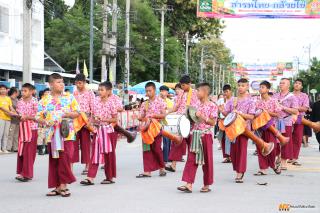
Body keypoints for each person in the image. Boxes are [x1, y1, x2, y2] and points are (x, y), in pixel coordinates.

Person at [36, 73, 80, 197]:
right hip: (51, 134)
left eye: (62, 82)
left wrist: (67, 114)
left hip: (67, 134)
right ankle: (57, 187)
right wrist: (45, 121)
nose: (62, 84)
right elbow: (37, 117)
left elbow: (77, 112)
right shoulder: (44, 100)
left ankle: (63, 185)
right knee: (55, 161)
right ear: (50, 84)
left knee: (65, 159)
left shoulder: (69, 97)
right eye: (58, 82)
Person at [178, 83, 217, 193]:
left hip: (206, 135)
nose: (196, 93)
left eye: (198, 91)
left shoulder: (213, 106)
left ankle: (207, 184)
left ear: (205, 92)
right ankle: (188, 184)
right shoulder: (195, 105)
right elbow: (192, 119)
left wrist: (203, 117)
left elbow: (213, 122)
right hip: (194, 134)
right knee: (191, 159)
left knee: (208, 161)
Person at [80, 81, 118, 185]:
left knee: (109, 155)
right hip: (98, 130)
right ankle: (90, 177)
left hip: (108, 131)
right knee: (95, 154)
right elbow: (92, 116)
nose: (99, 92)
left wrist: (104, 119)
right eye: (99, 89)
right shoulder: (95, 101)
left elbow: (115, 119)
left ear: (109, 91)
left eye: (102, 90)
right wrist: (90, 123)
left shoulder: (112, 103)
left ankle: (109, 177)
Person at [221, 78, 256, 183]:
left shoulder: (251, 101)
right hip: (232, 130)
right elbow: (227, 113)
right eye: (239, 85)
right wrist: (222, 111)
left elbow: (251, 116)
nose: (240, 87)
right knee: (233, 152)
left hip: (244, 130)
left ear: (247, 87)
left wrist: (239, 114)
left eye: (243, 85)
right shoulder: (232, 100)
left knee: (242, 151)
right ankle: (238, 169)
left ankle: (240, 172)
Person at [166, 75, 200, 172]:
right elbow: (176, 106)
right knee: (177, 141)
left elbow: (198, 107)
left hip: (191, 121)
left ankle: (193, 163)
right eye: (181, 85)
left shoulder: (195, 93)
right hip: (180, 121)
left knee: (192, 143)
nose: (182, 87)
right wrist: (167, 112)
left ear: (189, 84)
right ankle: (173, 165)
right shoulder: (180, 93)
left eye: (184, 85)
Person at [136, 82, 167, 178]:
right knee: (146, 149)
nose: (148, 92)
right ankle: (147, 171)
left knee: (156, 148)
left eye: (150, 90)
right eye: (147, 91)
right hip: (146, 128)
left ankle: (162, 168)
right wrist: (140, 117)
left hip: (157, 127)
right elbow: (141, 117)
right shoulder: (144, 103)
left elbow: (164, 115)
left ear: (154, 90)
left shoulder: (161, 101)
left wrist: (153, 116)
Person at [254, 81, 282, 175]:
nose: (261, 89)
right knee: (260, 147)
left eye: (263, 87)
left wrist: (265, 112)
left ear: (268, 89)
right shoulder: (256, 101)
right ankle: (263, 168)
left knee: (272, 147)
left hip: (270, 127)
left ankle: (274, 164)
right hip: (259, 127)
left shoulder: (273, 101)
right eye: (260, 87)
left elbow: (278, 114)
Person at [273, 78, 299, 170]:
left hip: (286, 121)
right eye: (280, 83)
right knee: (274, 140)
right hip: (275, 121)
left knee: (286, 141)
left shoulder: (292, 97)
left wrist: (283, 107)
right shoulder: (275, 96)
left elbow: (295, 110)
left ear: (288, 85)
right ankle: (277, 156)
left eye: (283, 83)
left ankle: (284, 161)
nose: (281, 84)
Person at [15, 83, 39, 182]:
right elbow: (18, 113)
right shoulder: (20, 101)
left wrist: (28, 117)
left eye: (25, 90)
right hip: (22, 127)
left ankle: (27, 174)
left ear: (32, 91)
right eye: (22, 90)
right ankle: (21, 172)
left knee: (29, 152)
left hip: (32, 128)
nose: (23, 92)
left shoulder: (35, 101)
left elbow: (38, 116)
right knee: (21, 150)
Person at [73, 73, 95, 175]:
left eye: (80, 83)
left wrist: (90, 121)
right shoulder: (74, 93)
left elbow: (93, 108)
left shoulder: (90, 93)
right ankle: (70, 166)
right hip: (75, 120)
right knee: (73, 144)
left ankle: (87, 166)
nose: (78, 85)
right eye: (77, 83)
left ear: (84, 83)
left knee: (86, 144)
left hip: (86, 120)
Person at [291, 79, 309, 166]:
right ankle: (287, 156)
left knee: (297, 138)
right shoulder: (289, 95)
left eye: (299, 84)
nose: (297, 84)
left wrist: (293, 108)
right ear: (293, 84)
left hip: (299, 118)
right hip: (288, 118)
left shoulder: (304, 96)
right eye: (296, 83)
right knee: (288, 137)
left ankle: (294, 158)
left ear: (301, 86)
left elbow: (305, 108)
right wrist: (297, 108)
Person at [218, 84, 233, 163]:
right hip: (222, 122)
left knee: (229, 139)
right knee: (222, 139)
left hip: (230, 123)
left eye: (227, 91)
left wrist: (222, 111)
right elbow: (218, 110)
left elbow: (231, 114)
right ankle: (227, 156)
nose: (225, 93)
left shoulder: (233, 100)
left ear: (230, 91)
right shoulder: (221, 100)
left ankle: (231, 156)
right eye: (224, 92)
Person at [0, 84, 16, 153]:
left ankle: (4, 148)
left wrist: (14, 112)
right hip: (1, 117)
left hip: (8, 118)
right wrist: (10, 112)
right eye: (1, 89)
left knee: (6, 134)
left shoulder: (8, 98)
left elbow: (11, 107)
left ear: (6, 90)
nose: (2, 90)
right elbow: (2, 108)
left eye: (4, 89)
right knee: (0, 133)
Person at [159, 85, 173, 164]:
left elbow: (170, 111)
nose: (162, 92)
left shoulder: (169, 101)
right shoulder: (157, 100)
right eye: (161, 91)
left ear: (167, 93)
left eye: (164, 91)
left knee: (167, 141)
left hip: (167, 123)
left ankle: (166, 158)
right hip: (157, 123)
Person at [37, 89, 50, 155]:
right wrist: (39, 120)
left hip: (49, 121)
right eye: (46, 92)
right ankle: (40, 150)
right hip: (41, 120)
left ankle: (47, 149)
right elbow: (38, 112)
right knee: (41, 135)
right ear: (43, 93)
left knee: (47, 135)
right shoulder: (41, 101)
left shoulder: (52, 101)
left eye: (49, 92)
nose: (48, 93)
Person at [7, 87, 20, 152]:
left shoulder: (17, 99)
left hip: (17, 120)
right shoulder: (9, 99)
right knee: (10, 134)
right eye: (18, 91)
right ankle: (8, 147)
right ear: (15, 92)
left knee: (16, 135)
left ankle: (15, 148)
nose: (19, 92)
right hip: (12, 119)